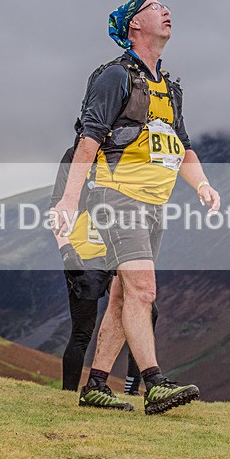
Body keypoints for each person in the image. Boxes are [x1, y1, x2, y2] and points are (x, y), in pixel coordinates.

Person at [52, 0, 220, 414]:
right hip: (117, 199)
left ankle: (95, 385)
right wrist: (70, 201)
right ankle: (154, 383)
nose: (167, 11)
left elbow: (182, 150)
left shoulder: (169, 88)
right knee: (144, 288)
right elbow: (88, 141)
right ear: (134, 27)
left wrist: (202, 186)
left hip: (154, 206)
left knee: (125, 297)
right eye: (155, 6)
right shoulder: (114, 77)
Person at [50, 146, 158, 394]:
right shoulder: (74, 154)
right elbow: (57, 205)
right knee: (82, 330)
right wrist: (66, 250)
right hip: (84, 254)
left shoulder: (126, 149)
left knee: (147, 313)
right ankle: (68, 393)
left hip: (118, 248)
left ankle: (133, 389)